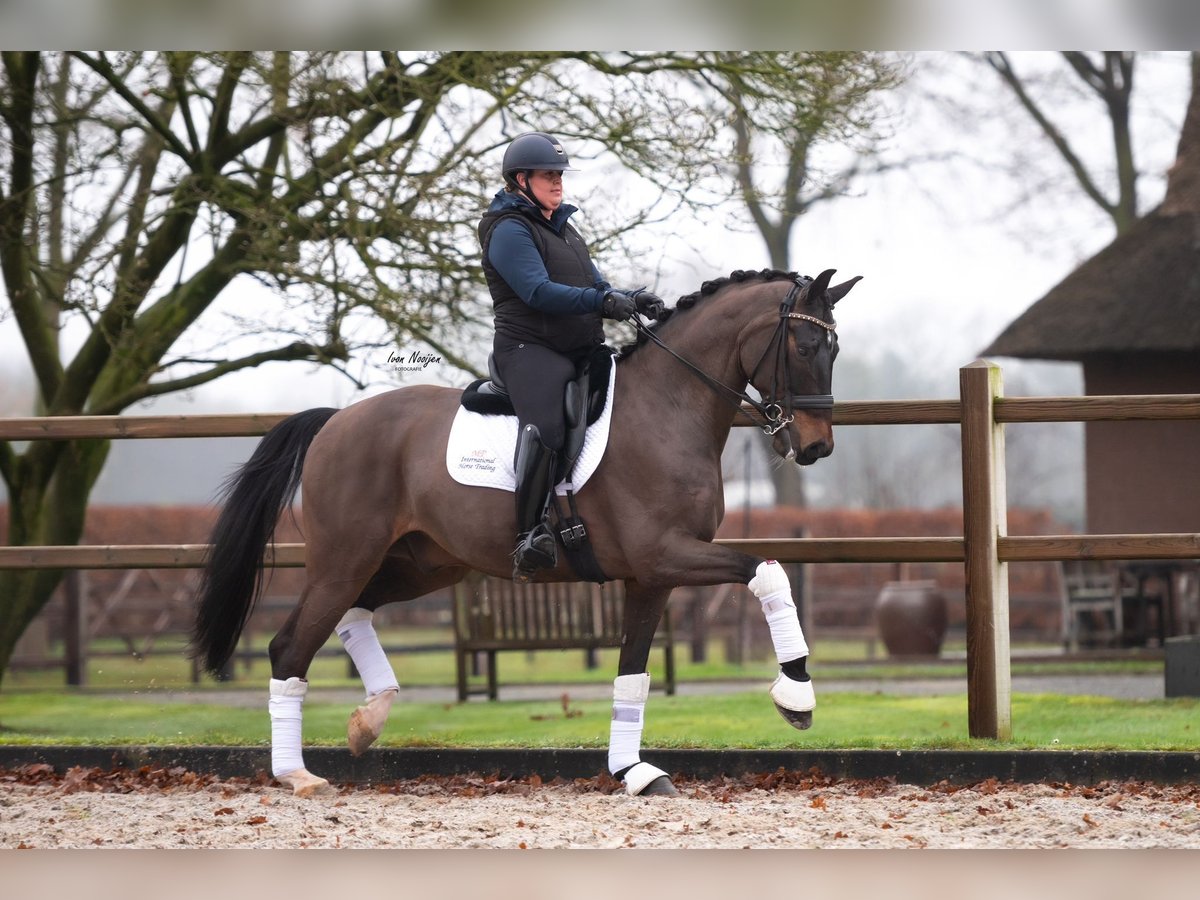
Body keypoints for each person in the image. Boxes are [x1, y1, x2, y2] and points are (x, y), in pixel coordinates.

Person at [478, 131, 665, 582]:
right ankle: (529, 534)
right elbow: (537, 292)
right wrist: (601, 304)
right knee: (547, 425)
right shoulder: (507, 230)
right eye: (548, 175)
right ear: (520, 179)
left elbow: (594, 284)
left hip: (580, 347)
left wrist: (629, 298)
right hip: (530, 350)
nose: (558, 183)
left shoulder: (563, 226)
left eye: (560, 175)